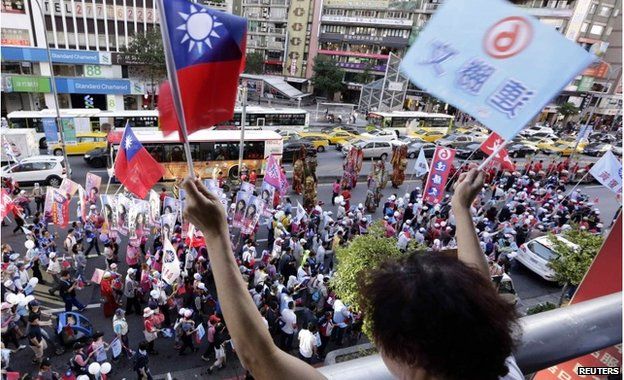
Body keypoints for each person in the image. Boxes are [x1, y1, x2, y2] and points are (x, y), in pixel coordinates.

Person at [181, 169, 523, 380]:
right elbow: (478, 296)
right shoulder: (487, 354)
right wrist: (462, 209)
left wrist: (215, 234)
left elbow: (261, 357)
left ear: (411, 357)